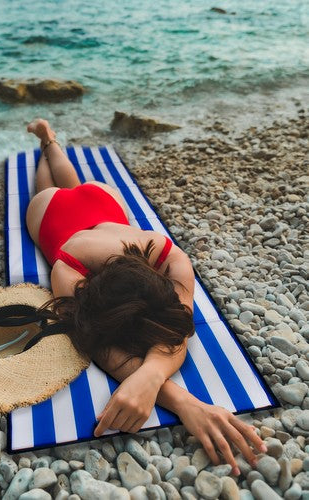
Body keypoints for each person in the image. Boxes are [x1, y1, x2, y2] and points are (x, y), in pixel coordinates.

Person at [25, 118, 267, 476]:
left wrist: (153, 377)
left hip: (96, 204)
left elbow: (177, 324)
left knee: (49, 186)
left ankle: (47, 141)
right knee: (45, 190)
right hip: (67, 209)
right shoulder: (69, 268)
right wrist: (182, 399)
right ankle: (48, 142)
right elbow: (96, 343)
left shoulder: (168, 256)